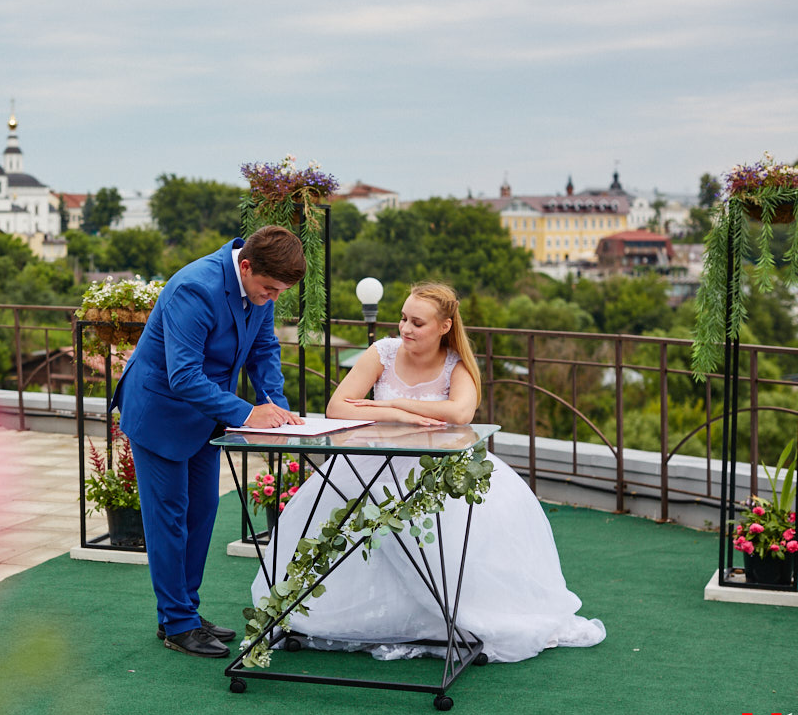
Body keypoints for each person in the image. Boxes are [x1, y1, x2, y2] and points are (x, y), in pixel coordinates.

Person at [250, 282, 606, 663]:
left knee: (445, 533)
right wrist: (395, 413)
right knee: (339, 520)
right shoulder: (381, 353)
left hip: (437, 470)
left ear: (444, 327)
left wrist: (390, 402)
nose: (405, 328)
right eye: (403, 318)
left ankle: (441, 616)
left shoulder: (456, 366)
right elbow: (339, 406)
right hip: (374, 462)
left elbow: (460, 414)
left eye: (417, 323)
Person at [113, 225, 307, 658]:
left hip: (206, 414)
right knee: (169, 518)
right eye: (269, 288)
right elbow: (182, 375)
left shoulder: (261, 289)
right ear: (246, 265)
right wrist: (247, 413)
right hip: (160, 411)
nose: (273, 297)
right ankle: (177, 624)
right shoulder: (194, 289)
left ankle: (186, 612)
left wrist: (275, 405)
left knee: (203, 511)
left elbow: (263, 349)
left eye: (281, 292)